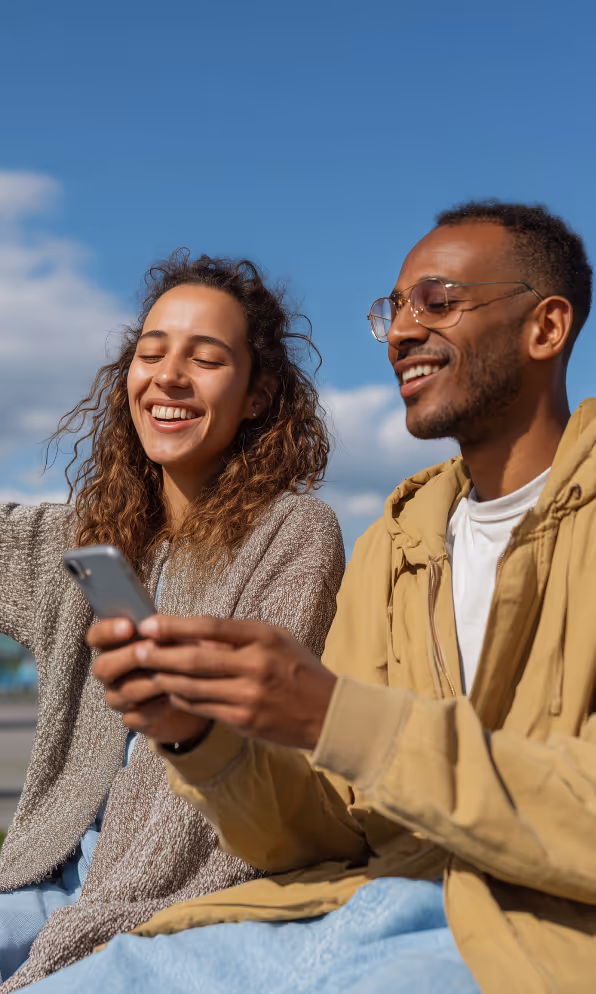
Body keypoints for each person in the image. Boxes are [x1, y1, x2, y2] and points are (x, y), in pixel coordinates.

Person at [34, 201, 596, 994]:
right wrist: (201, 741)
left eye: (436, 301)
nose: (402, 330)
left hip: (536, 936)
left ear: (546, 328)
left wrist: (338, 716)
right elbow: (326, 830)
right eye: (392, 308)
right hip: (355, 905)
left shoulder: (302, 534)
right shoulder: (396, 547)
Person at [0, 251, 345, 991]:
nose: (169, 377)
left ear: (257, 395)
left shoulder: (293, 532)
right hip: (41, 880)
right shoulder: (89, 535)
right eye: (150, 353)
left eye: (207, 357)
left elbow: (253, 749)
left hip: (169, 900)